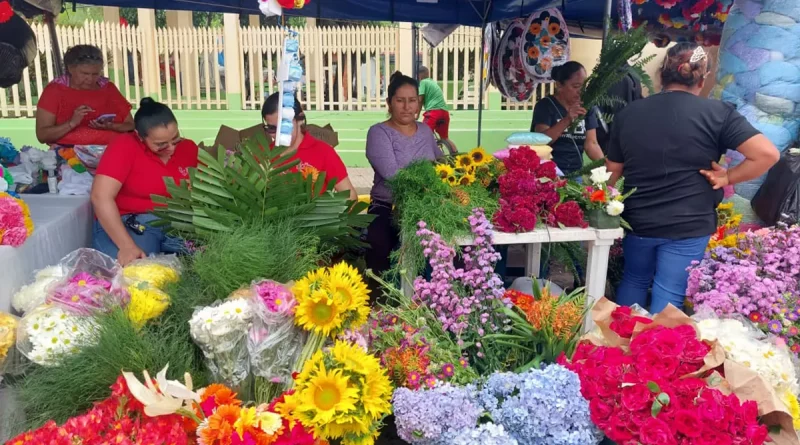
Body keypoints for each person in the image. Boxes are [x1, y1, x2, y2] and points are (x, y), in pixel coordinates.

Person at [606, 43, 780, 313]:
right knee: (669, 293)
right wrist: (728, 176)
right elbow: (766, 154)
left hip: (639, 219)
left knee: (634, 279)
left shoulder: (629, 113)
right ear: (703, 76)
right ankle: (655, 353)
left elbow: (611, 171)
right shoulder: (719, 114)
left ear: (662, 74)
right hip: (689, 223)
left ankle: (615, 348)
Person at [91, 98, 198, 266]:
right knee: (136, 273)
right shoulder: (125, 145)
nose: (171, 148)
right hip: (132, 223)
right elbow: (101, 197)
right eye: (161, 144)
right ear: (140, 137)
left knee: (210, 260)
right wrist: (126, 246)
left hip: (176, 223)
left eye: (175, 138)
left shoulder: (189, 148)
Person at [365, 72, 443, 295]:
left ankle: (433, 300)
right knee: (379, 245)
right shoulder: (379, 132)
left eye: (412, 101)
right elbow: (392, 174)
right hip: (387, 206)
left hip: (427, 206)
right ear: (389, 103)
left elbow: (440, 163)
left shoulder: (426, 130)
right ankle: (381, 303)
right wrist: (426, 185)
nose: (407, 107)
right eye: (400, 100)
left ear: (419, 103)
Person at [261, 92, 358, 201]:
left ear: (300, 119)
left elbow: (350, 197)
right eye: (272, 128)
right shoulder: (263, 156)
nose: (279, 134)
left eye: (284, 127)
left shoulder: (323, 152)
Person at [36, 45, 134, 147]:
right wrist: (71, 123)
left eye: (95, 74)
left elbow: (130, 125)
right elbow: (42, 135)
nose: (90, 79)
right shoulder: (55, 91)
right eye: (84, 73)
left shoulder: (109, 89)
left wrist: (110, 126)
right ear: (70, 69)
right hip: (69, 153)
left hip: (112, 149)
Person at [531, 61, 604, 176]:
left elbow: (591, 144)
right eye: (576, 86)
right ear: (559, 85)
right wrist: (567, 120)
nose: (581, 91)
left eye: (584, 86)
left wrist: (606, 166)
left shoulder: (587, 107)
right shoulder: (545, 106)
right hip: (549, 173)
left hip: (576, 173)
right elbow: (541, 141)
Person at [418, 66, 457, 155]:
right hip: (444, 112)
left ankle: (431, 156)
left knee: (423, 134)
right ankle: (455, 155)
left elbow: (420, 100)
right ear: (428, 73)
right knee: (445, 138)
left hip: (434, 112)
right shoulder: (433, 82)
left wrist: (415, 115)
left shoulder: (423, 82)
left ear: (419, 76)